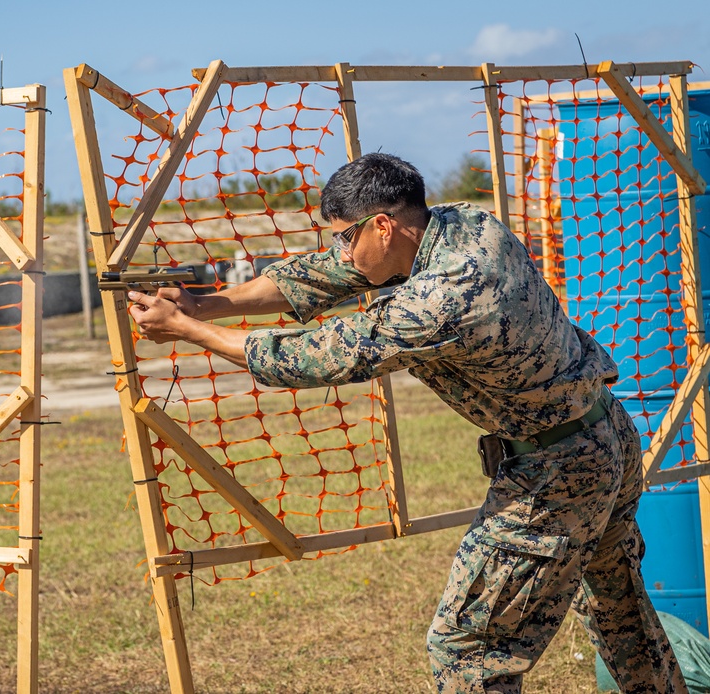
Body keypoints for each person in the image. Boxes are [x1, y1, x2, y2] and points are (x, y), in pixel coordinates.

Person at [127, 152, 688, 692]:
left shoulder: (448, 295)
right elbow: (321, 275)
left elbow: (320, 355)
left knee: (467, 651)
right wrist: (208, 305)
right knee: (619, 610)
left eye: (346, 237)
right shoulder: (464, 224)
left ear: (382, 227)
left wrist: (187, 330)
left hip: (557, 470)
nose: (341, 252)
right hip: (600, 434)